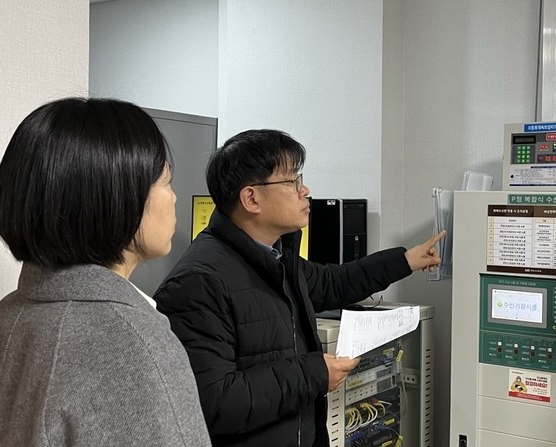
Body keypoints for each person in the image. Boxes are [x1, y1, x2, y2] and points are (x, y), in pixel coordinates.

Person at [153, 129, 444, 446]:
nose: (305, 190)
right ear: (251, 198)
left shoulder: (274, 258)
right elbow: (213, 402)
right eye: (292, 181)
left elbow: (335, 282)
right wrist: (313, 374)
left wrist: (406, 260)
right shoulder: (199, 282)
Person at [0, 98, 211, 446]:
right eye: (166, 181)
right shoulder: (129, 341)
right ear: (116, 197)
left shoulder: (10, 313)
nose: (173, 198)